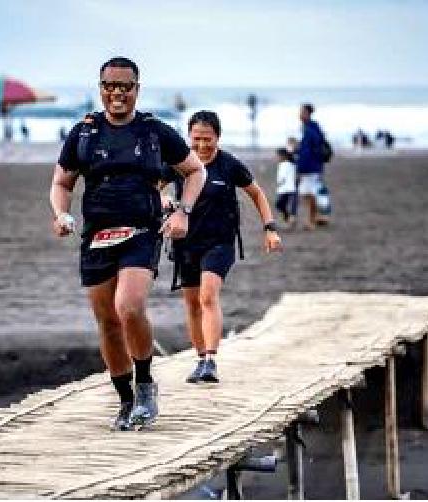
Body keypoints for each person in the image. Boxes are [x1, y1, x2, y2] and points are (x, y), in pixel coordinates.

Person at [49, 57, 205, 431]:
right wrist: (60, 213)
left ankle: (146, 383)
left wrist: (183, 211)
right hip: (97, 236)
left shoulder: (154, 132)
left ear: (137, 88)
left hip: (141, 231)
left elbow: (195, 170)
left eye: (125, 86)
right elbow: (61, 183)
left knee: (129, 307)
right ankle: (125, 399)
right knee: (107, 322)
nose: (117, 93)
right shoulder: (83, 133)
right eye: (110, 85)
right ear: (100, 87)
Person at [161, 111, 281, 384]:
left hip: (220, 242)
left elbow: (257, 193)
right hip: (185, 243)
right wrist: (162, 197)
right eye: (196, 140)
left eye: (208, 139)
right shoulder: (180, 164)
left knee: (207, 296)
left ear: (218, 137)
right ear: (187, 138)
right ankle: (200, 358)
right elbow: (152, 187)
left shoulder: (229, 165)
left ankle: (211, 360)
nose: (202, 146)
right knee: (192, 303)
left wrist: (270, 228)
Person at [297, 103, 328, 229]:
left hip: (310, 167)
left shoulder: (310, 130)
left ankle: (312, 220)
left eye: (302, 112)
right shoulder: (312, 128)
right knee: (309, 192)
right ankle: (315, 217)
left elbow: (308, 151)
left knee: (307, 193)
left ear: (308, 113)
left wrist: (300, 168)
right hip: (314, 166)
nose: (299, 114)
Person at [275, 148, 297, 225]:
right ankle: (288, 219)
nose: (277, 157)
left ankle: (289, 219)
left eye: (278, 156)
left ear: (283, 156)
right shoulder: (290, 164)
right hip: (287, 188)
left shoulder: (286, 164)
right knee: (281, 205)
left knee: (280, 204)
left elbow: (282, 178)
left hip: (287, 188)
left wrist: (279, 183)